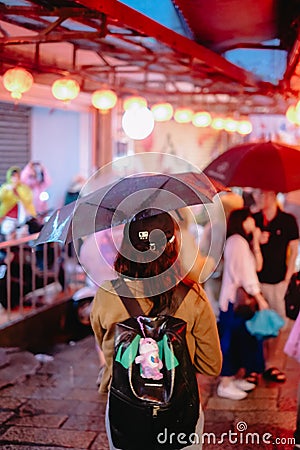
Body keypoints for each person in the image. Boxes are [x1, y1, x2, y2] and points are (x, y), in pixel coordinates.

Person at [90, 209, 222, 450]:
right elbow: (212, 364)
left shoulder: (106, 294)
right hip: (180, 409)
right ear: (172, 247)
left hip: (124, 408)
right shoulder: (192, 295)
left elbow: (107, 348)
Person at [217, 208, 269, 400]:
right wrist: (259, 296)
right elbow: (246, 272)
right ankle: (225, 382)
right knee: (230, 341)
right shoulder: (237, 242)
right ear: (243, 220)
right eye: (251, 220)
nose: (254, 224)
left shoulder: (239, 241)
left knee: (239, 340)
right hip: (234, 303)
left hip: (234, 303)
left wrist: (255, 239)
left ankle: (233, 378)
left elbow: (256, 266)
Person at [252, 189, 299, 382]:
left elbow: (294, 248)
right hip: (254, 282)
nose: (261, 197)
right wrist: (255, 238)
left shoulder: (287, 220)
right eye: (257, 194)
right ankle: (255, 364)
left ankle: (272, 364)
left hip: (278, 281)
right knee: (255, 325)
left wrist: (288, 277)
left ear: (273, 195)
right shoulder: (252, 219)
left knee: (278, 324)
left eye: (264, 194)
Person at [0, 166, 36, 240]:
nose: (15, 178)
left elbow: (28, 199)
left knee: (22, 236)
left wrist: (17, 192)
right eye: (13, 176)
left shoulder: (24, 188)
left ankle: (21, 250)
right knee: (9, 236)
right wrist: (10, 189)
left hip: (22, 218)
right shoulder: (5, 188)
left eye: (17, 176)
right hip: (9, 217)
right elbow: (2, 197)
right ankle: (8, 251)